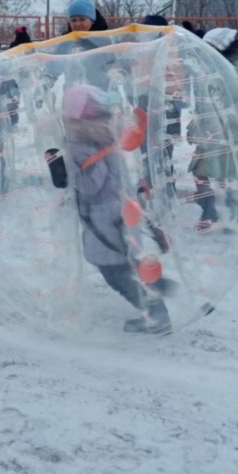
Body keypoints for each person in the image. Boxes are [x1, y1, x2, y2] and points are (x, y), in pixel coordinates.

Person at [52, 84, 171, 335]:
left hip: (104, 220)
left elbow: (90, 185)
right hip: (121, 213)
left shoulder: (83, 144)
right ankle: (164, 290)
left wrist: (66, 170)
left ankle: (156, 314)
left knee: (116, 273)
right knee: (128, 265)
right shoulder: (108, 136)